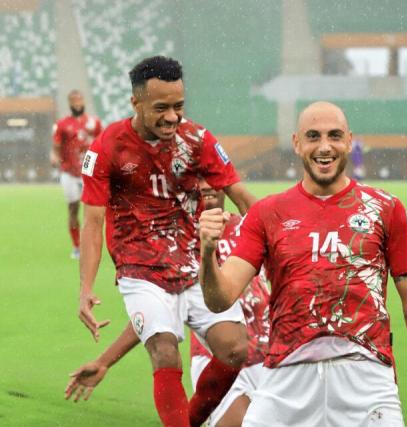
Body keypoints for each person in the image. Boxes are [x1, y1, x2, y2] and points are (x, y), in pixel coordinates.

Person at [198, 101, 407, 427]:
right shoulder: (267, 214)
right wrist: (207, 255)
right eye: (313, 136)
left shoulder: (385, 209)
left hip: (365, 378)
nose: (324, 147)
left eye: (334, 136)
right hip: (287, 377)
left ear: (349, 141)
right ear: (296, 143)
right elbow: (220, 298)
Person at [78, 55, 257, 427]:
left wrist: (285, 244)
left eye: (178, 106)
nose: (172, 117)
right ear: (136, 104)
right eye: (161, 108)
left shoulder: (198, 139)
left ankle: (190, 420)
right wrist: (86, 288)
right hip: (139, 269)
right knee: (164, 351)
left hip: (195, 266)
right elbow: (93, 223)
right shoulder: (106, 148)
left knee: (236, 349)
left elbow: (241, 197)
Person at [66, 180, 271, 427]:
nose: (205, 186)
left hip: (271, 359)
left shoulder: (249, 228)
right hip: (217, 361)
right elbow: (155, 317)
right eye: (198, 179)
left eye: (210, 178)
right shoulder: (173, 242)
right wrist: (104, 361)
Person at [51, 90, 102, 259]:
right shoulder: (62, 124)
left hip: (88, 170)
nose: (77, 104)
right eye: (74, 102)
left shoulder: (93, 123)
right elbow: (56, 147)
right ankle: (76, 246)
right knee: (73, 209)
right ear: (70, 104)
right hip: (69, 171)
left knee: (93, 210)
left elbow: (102, 143)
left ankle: (91, 244)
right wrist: (55, 157)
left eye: (79, 101)